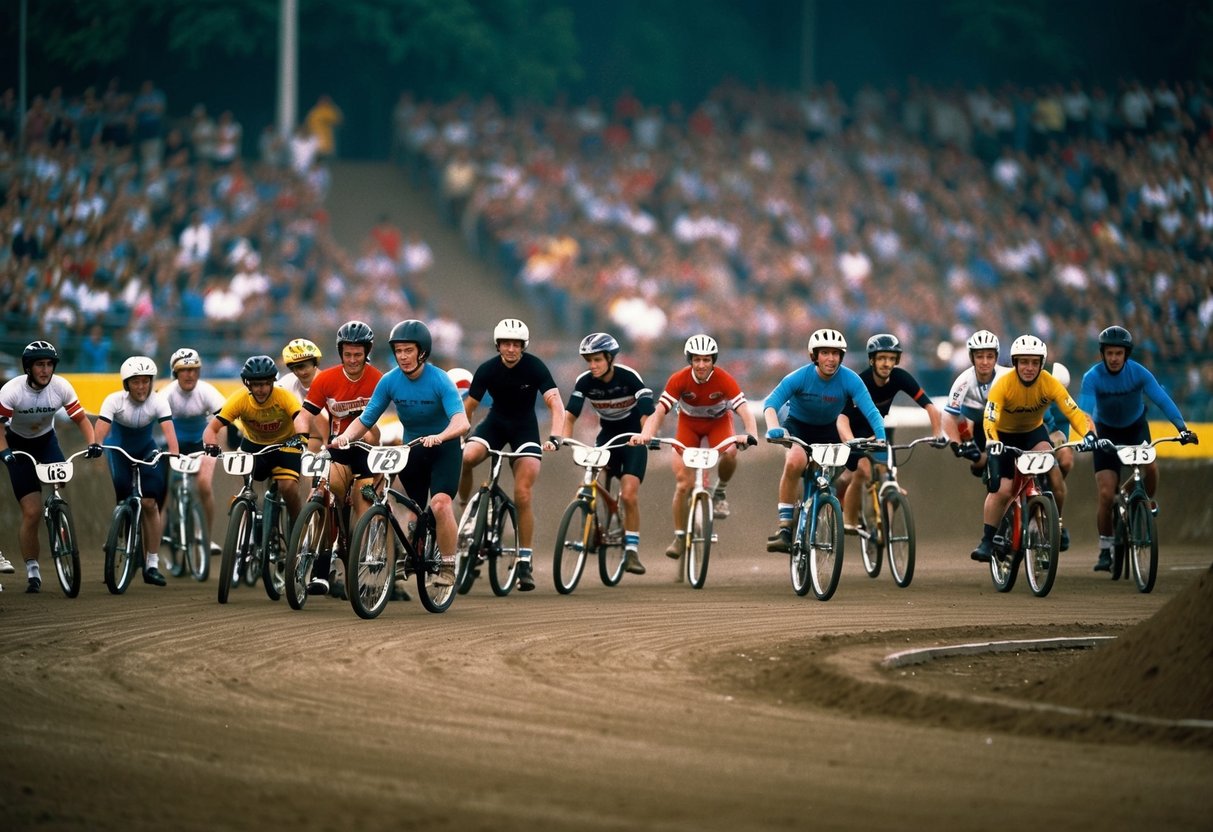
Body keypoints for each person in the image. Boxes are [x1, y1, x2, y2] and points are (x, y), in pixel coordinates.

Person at [331, 320, 469, 592]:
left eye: (409, 350)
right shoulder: (390, 381)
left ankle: (448, 566)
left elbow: (461, 422)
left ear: (422, 353)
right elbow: (367, 418)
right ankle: (409, 550)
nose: (403, 357)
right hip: (412, 450)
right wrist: (345, 437)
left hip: (444, 448)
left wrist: (440, 436)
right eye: (399, 351)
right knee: (396, 503)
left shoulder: (440, 380)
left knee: (440, 504)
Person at [1079, 326, 1199, 572]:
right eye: (1110, 353)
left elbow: (1162, 400)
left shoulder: (1139, 373)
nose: (1114, 358)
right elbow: (1083, 413)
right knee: (1105, 493)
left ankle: (1143, 502)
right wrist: (1088, 436)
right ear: (1103, 354)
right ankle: (1105, 548)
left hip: (1135, 429)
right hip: (1104, 432)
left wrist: (1183, 429)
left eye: (1119, 353)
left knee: (1151, 468)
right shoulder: (1092, 377)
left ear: (1126, 354)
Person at [971, 335, 1099, 563]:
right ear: (1015, 363)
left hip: (1033, 433)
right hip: (1004, 437)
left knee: (1050, 465)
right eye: (1024, 362)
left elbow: (1074, 413)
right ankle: (987, 540)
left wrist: (1089, 435)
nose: (1029, 368)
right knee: (1002, 491)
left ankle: (1046, 521)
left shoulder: (1050, 383)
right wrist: (992, 440)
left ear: (1042, 364)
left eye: (1034, 362)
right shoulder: (1003, 384)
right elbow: (989, 417)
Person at [458, 318, 564, 592]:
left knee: (523, 493)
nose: (511, 349)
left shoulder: (535, 367)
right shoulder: (487, 369)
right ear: (498, 345)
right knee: (467, 457)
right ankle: (462, 500)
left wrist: (555, 436)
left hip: (525, 430)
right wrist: (459, 433)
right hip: (495, 425)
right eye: (506, 343)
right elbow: (468, 406)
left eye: (516, 344)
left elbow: (555, 403)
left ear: (523, 346)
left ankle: (524, 561)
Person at [632, 333, 758, 561]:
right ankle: (680, 537)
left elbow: (743, 409)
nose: (701, 365)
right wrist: (648, 434)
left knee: (730, 453)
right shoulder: (678, 379)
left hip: (718, 423)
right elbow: (659, 410)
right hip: (688, 426)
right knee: (683, 484)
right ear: (690, 360)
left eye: (707, 360)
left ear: (713, 361)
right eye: (697, 359)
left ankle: (719, 492)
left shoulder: (724, 378)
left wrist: (751, 433)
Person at [761, 329, 887, 554]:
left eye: (836, 354)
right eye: (825, 353)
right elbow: (770, 404)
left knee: (837, 471)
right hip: (798, 427)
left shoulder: (850, 379)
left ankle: (824, 504)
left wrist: (881, 436)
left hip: (829, 430)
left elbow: (872, 411)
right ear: (814, 356)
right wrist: (773, 428)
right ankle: (785, 528)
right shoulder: (800, 376)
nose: (831, 358)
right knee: (795, 462)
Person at [0, 342, 101, 593]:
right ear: (28, 368)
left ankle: (57, 513)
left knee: (60, 484)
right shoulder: (11, 391)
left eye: (49, 365)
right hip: (18, 447)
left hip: (46, 442)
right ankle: (33, 569)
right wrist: (5, 452)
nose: (45, 370)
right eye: (39, 365)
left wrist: (93, 443)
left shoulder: (61, 387)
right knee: (32, 512)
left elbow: (81, 419)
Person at [292, 320, 383, 596]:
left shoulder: (378, 379)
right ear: (340, 352)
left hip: (366, 451)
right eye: (347, 354)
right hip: (337, 450)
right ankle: (321, 567)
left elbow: (378, 430)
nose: (353, 360)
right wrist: (301, 441)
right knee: (325, 493)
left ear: (366, 353)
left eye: (358, 354)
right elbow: (305, 415)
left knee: (363, 506)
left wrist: (367, 436)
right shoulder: (326, 379)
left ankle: (361, 560)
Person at [561, 332, 655, 576]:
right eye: (589, 361)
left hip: (633, 438)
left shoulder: (629, 377)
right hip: (607, 438)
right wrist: (564, 438)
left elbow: (646, 411)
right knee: (590, 480)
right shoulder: (584, 382)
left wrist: (646, 434)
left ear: (610, 359)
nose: (592, 366)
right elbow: (570, 415)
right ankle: (592, 524)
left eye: (597, 360)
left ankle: (631, 550)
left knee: (629, 494)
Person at [836, 334, 946, 533]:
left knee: (889, 475)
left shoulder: (900, 377)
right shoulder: (861, 381)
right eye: (881, 358)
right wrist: (851, 441)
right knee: (861, 471)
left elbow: (931, 407)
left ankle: (883, 526)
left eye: (891, 358)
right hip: (856, 432)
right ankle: (849, 521)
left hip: (880, 430)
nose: (886, 363)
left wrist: (938, 433)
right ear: (872, 360)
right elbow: (843, 419)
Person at [202, 355, 306, 550]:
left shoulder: (283, 396)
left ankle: (297, 527)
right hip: (254, 444)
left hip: (284, 445)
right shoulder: (240, 399)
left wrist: (300, 438)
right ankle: (247, 522)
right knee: (244, 484)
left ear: (273, 383)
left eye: (266, 384)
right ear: (247, 384)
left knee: (288, 488)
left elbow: (299, 418)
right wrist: (210, 445)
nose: (261, 389)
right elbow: (211, 429)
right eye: (256, 384)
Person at [93, 356, 181, 586]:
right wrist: (96, 444)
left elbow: (169, 433)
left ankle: (151, 563)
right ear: (126, 384)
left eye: (145, 381)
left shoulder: (158, 401)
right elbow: (102, 429)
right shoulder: (114, 400)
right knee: (123, 493)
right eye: (136, 382)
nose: (141, 387)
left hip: (146, 449)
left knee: (151, 502)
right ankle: (118, 536)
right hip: (119, 449)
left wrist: (174, 452)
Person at [160, 348, 225, 553]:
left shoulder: (206, 391)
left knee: (204, 486)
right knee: (161, 492)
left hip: (201, 444)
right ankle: (159, 535)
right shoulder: (166, 394)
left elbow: (224, 420)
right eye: (184, 370)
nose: (190, 375)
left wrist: (217, 446)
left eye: (194, 370)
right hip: (173, 444)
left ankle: (205, 536)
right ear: (175, 373)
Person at [942, 330, 1011, 478]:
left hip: (1009, 424)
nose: (985, 362)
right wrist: (956, 444)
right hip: (981, 426)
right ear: (972, 358)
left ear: (996, 358)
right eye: (979, 356)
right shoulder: (963, 381)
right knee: (981, 465)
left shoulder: (1007, 376)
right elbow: (948, 417)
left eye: (990, 357)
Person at [279, 339, 323, 433]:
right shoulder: (284, 384)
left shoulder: (330, 382)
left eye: (304, 366)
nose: (300, 372)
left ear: (315, 363)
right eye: (294, 368)